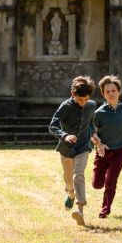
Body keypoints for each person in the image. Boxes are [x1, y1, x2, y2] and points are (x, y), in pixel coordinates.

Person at [48, 76, 97, 226]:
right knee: (69, 180)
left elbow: (91, 123)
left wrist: (94, 135)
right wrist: (65, 135)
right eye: (80, 100)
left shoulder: (91, 105)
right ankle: (70, 194)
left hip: (83, 147)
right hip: (67, 149)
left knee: (78, 175)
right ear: (72, 94)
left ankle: (80, 210)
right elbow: (52, 126)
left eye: (86, 99)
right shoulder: (66, 106)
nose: (83, 103)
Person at [91, 75, 122, 219]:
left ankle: (106, 209)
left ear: (119, 91)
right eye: (107, 91)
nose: (111, 93)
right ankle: (101, 176)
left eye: (113, 90)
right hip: (103, 152)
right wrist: (99, 144)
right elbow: (92, 133)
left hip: (120, 150)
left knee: (111, 181)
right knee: (97, 184)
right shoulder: (99, 113)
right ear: (103, 94)